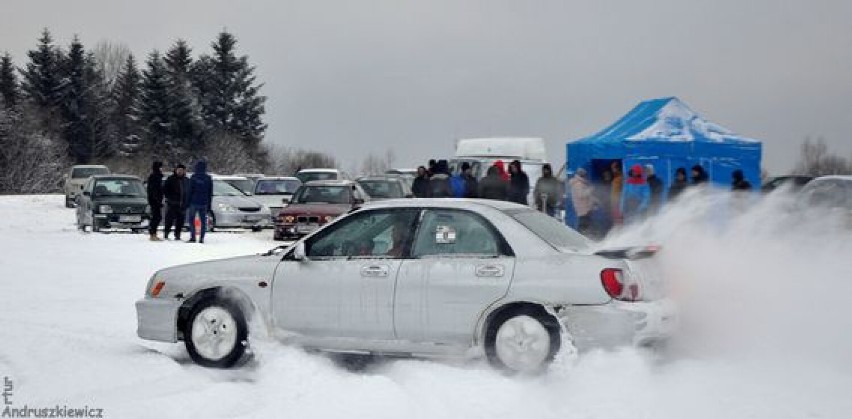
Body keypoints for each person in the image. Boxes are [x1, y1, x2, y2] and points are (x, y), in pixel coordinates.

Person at [185, 160, 213, 243]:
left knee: (192, 220)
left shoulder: (194, 177)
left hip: (193, 202)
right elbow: (210, 192)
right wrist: (209, 204)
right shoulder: (208, 178)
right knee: (203, 221)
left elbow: (189, 191)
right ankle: (201, 238)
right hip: (204, 202)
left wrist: (187, 202)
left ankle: (193, 237)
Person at [163, 164, 189, 240]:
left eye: (182, 170)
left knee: (180, 221)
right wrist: (170, 198)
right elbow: (165, 190)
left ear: (184, 171)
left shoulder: (186, 180)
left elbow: (189, 191)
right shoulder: (171, 179)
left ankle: (177, 235)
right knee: (169, 220)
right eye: (179, 170)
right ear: (176, 170)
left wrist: (187, 201)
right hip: (172, 203)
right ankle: (166, 233)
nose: (180, 172)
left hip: (182, 204)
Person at [569, 168, 597, 234]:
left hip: (584, 208)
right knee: (583, 226)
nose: (586, 176)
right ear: (582, 175)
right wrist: (590, 190)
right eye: (585, 175)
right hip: (583, 209)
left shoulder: (579, 183)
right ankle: (580, 239)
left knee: (585, 225)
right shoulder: (578, 184)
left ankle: (582, 237)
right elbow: (581, 195)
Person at [146, 161, 164, 241]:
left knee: (157, 217)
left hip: (156, 199)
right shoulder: (154, 176)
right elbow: (153, 190)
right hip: (154, 200)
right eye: (160, 167)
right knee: (156, 217)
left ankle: (154, 233)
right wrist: (157, 200)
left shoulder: (157, 176)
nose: (162, 168)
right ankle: (152, 234)